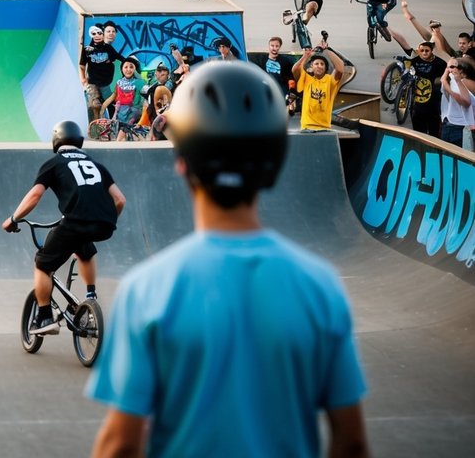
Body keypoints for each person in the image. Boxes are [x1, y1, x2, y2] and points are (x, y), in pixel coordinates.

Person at [86, 61, 368, 458]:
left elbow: (120, 445)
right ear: (274, 164)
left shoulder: (149, 290)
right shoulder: (319, 287)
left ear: (182, 163)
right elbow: (352, 442)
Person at [3, 120, 126, 332]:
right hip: (103, 224)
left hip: (75, 222)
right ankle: (90, 298)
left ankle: (44, 318)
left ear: (56, 140)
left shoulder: (54, 163)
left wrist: (13, 219)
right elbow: (120, 200)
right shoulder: (97, 165)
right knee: (84, 250)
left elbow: (34, 196)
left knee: (43, 265)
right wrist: (107, 219)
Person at [291, 40, 345, 131]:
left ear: (325, 68)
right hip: (306, 127)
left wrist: (327, 50)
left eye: (322, 64)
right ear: (311, 66)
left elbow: (340, 68)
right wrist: (307, 55)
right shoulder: (306, 79)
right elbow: (295, 69)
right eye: (316, 64)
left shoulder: (329, 80)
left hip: (324, 128)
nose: (319, 66)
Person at [80, 25, 124, 122]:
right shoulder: (87, 50)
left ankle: (112, 122)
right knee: (95, 104)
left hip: (105, 82)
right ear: (91, 35)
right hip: (92, 82)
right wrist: (83, 78)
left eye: (99, 33)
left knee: (109, 102)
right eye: (94, 33)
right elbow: (82, 66)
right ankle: (96, 125)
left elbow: (119, 57)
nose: (97, 35)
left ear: (103, 34)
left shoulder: (108, 48)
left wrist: (129, 64)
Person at [100, 58, 145, 137]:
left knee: (126, 132)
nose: (128, 69)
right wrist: (103, 106)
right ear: (122, 69)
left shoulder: (139, 82)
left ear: (135, 69)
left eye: (131, 67)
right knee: (116, 132)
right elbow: (114, 95)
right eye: (126, 67)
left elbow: (145, 99)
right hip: (119, 112)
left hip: (133, 112)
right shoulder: (119, 82)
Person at [439, 56, 475, 149]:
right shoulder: (452, 79)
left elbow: (466, 102)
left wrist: (448, 83)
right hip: (449, 123)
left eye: (451, 67)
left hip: (460, 127)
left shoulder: (463, 82)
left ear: (462, 71)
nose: (448, 70)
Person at [263, 36, 297, 111]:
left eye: (276, 46)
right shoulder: (262, 60)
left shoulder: (285, 61)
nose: (274, 48)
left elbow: (290, 78)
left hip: (281, 94)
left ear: (279, 47)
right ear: (269, 46)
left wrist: (292, 91)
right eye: (272, 45)